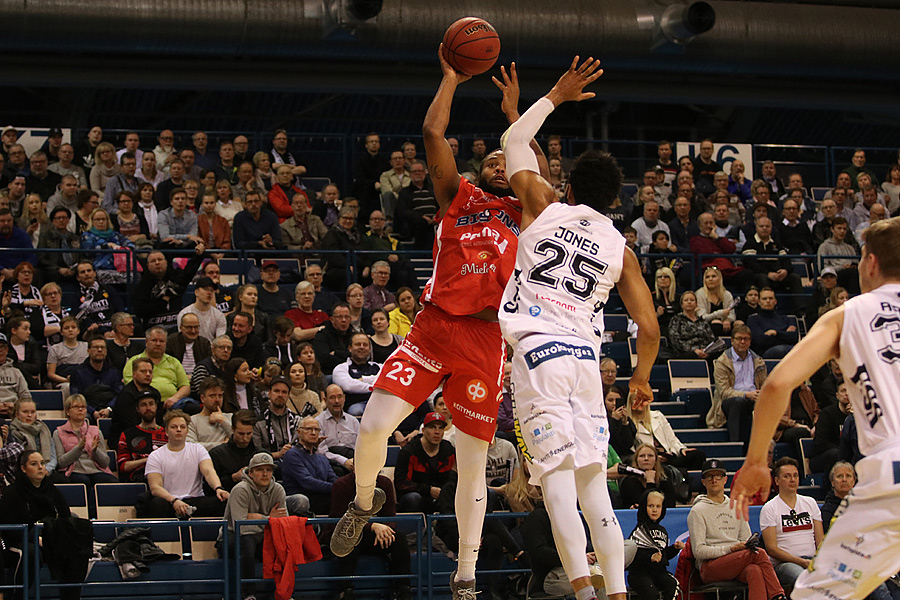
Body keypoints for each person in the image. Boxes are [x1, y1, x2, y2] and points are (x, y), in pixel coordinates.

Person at [329, 48, 535, 600]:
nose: (497, 162)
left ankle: (465, 576)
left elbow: (530, 162)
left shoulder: (530, 213)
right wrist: (450, 78)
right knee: (372, 427)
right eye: (490, 158)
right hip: (433, 327)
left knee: (473, 463)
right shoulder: (457, 195)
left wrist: (516, 119)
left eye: (505, 160)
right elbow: (431, 133)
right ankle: (364, 500)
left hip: (485, 338)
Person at [492, 57, 663, 600]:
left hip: (540, 355)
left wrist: (553, 99)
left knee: (556, 486)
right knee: (596, 491)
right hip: (587, 362)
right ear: (616, 200)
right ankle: (616, 592)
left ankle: (585, 595)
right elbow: (650, 327)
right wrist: (639, 380)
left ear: (565, 185)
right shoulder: (621, 247)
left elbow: (515, 140)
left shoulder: (542, 205)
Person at [734, 215, 900, 596]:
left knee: (817, 595)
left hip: (892, 477)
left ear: (870, 263)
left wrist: (758, 460)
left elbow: (777, 384)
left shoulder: (849, 314)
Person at [688, 459, 786, 600]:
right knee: (759, 554)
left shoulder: (736, 506)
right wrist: (731, 549)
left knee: (755, 570)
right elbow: (699, 551)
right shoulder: (697, 511)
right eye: (709, 476)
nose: (714, 480)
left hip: (736, 561)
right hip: (710, 567)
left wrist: (739, 549)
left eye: (718, 476)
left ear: (725, 480)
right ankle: (778, 595)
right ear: (703, 481)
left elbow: (745, 540)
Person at [0, 451, 73, 598]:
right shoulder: (11, 493)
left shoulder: (52, 491)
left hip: (48, 539)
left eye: (42, 463)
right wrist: (33, 536)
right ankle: (16, 596)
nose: (40, 467)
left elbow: (66, 518)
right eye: (34, 464)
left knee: (76, 549)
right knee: (31, 553)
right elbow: (7, 530)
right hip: (17, 543)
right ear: (23, 468)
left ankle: (71, 595)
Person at [140, 410, 230, 518]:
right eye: (174, 427)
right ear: (166, 431)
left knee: (221, 502)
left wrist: (218, 488)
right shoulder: (156, 455)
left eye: (182, 427)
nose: (178, 430)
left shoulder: (198, 449)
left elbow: (208, 471)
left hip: (195, 500)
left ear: (187, 431)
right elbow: (155, 487)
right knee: (157, 504)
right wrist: (174, 501)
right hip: (169, 501)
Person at [759, 457, 824, 589]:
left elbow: (820, 540)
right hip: (785, 564)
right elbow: (771, 549)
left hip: (811, 559)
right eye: (787, 476)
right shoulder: (770, 508)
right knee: (806, 581)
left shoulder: (810, 502)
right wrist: (801, 561)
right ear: (777, 481)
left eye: (795, 475)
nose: (793, 480)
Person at [51, 393, 117, 510]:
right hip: (75, 470)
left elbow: (105, 462)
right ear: (67, 411)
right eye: (76, 407)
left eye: (83, 407)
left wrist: (95, 451)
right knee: (83, 481)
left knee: (111, 481)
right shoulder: (59, 433)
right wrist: (78, 448)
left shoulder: (95, 430)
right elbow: (61, 462)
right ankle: (89, 514)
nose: (81, 409)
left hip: (96, 469)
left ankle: (106, 515)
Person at [709, 325, 767, 442]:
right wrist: (746, 394)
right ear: (732, 340)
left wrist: (760, 394)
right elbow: (724, 392)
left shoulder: (758, 361)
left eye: (746, 339)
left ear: (750, 342)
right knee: (738, 403)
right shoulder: (722, 362)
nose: (742, 342)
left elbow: (764, 385)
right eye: (739, 338)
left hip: (754, 399)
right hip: (729, 402)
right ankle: (735, 444)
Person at [393, 412, 456, 514]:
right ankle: (414, 530)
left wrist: (445, 492)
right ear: (423, 430)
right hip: (416, 497)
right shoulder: (409, 451)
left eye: (440, 428)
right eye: (432, 427)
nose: (437, 432)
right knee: (413, 498)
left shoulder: (448, 450)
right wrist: (428, 491)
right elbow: (401, 484)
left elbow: (455, 478)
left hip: (443, 497)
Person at [627, 490, 683, 600]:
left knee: (673, 584)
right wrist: (649, 558)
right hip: (639, 573)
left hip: (658, 572)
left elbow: (663, 555)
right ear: (644, 507)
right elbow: (632, 557)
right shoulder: (639, 531)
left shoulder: (663, 531)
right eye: (650, 506)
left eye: (658, 506)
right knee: (650, 592)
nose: (654, 510)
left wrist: (674, 549)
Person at [133, 248, 204, 330]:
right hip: (154, 328)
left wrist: (199, 255)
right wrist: (162, 302)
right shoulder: (142, 286)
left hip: (176, 326)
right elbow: (139, 311)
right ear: (148, 266)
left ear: (166, 262)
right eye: (153, 261)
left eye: (160, 259)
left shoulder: (176, 277)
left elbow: (189, 271)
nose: (157, 263)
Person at [123, 326, 192, 410]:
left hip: (173, 405)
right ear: (146, 342)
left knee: (191, 406)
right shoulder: (134, 361)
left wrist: (175, 398)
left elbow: (185, 386)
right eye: (154, 340)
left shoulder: (174, 362)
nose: (158, 344)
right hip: (144, 404)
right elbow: (131, 386)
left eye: (162, 341)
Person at [628, 400, 706, 470]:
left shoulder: (657, 415)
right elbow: (632, 449)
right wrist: (653, 457)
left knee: (698, 455)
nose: (640, 402)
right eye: (636, 399)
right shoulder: (627, 422)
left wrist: (681, 449)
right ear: (630, 402)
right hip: (650, 459)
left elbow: (671, 439)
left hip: (668, 456)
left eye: (643, 399)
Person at [282, 416, 336, 515]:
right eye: (308, 429)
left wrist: (342, 487)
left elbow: (333, 478)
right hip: (302, 499)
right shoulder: (292, 455)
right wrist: (337, 488)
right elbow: (307, 482)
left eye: (316, 430)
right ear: (299, 432)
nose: (313, 433)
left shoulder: (321, 458)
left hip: (321, 497)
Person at [110, 357, 162, 451]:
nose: (147, 374)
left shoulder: (155, 393)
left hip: (151, 437)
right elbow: (130, 424)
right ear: (134, 374)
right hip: (127, 439)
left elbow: (159, 419)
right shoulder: (126, 395)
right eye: (143, 371)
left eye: (150, 372)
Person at [116, 391, 167, 483]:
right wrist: (148, 460)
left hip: (166, 475)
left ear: (156, 407)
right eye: (143, 405)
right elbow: (123, 466)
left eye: (151, 404)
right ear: (138, 409)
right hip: (139, 477)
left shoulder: (167, 433)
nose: (148, 408)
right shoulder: (128, 434)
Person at [252, 375, 300, 468]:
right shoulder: (258, 422)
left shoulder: (296, 420)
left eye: (284, 392)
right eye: (276, 391)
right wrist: (278, 454)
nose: (280, 395)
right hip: (268, 465)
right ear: (269, 393)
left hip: (295, 463)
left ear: (288, 395)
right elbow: (256, 453)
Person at [68, 336, 123, 417]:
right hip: (87, 410)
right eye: (96, 347)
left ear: (106, 351)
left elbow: (119, 394)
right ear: (88, 351)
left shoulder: (114, 372)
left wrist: (108, 409)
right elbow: (76, 396)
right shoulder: (78, 372)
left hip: (109, 409)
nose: (100, 350)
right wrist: (93, 412)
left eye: (102, 347)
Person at [208, 410, 258, 493]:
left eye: (248, 433)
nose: (245, 438)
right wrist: (233, 478)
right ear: (233, 429)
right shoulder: (217, 454)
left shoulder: (260, 454)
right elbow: (209, 488)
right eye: (241, 434)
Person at [332, 332, 382, 416]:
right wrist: (377, 387)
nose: (362, 347)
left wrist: (363, 380)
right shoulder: (341, 368)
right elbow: (349, 386)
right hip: (356, 405)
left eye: (365, 345)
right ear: (350, 348)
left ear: (369, 349)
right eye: (358, 344)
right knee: (356, 411)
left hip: (380, 403)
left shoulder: (379, 367)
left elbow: (388, 380)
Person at [316, 384, 360, 476]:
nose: (337, 401)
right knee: (337, 471)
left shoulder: (354, 421)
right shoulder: (318, 422)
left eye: (339, 397)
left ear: (344, 398)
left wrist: (355, 462)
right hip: (330, 463)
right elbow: (321, 452)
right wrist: (344, 461)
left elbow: (360, 447)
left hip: (353, 460)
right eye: (332, 397)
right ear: (325, 400)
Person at [619, 444, 677, 509]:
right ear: (636, 461)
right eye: (642, 456)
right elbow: (649, 507)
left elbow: (671, 505)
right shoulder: (629, 482)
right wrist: (650, 482)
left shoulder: (664, 479)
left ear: (655, 460)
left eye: (650, 456)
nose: (646, 459)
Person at [8, 398, 57, 477]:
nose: (29, 415)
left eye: (33, 412)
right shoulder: (12, 432)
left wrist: (47, 470)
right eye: (25, 412)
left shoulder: (44, 430)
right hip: (24, 473)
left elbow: (53, 457)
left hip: (45, 471)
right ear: (17, 414)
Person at [746, 288, 799, 359]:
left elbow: (794, 338)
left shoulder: (786, 319)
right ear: (759, 302)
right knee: (783, 350)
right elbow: (760, 341)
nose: (768, 301)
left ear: (775, 301)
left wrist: (775, 333)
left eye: (770, 298)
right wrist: (784, 334)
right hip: (765, 354)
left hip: (787, 349)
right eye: (764, 299)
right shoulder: (753, 319)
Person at [668, 290, 718, 359]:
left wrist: (706, 350)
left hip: (705, 351)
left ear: (696, 304)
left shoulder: (702, 321)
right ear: (682, 305)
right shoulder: (676, 320)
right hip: (687, 352)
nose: (689, 302)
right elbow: (675, 341)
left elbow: (711, 339)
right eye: (686, 300)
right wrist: (694, 350)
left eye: (692, 300)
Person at [187, 376, 233, 450]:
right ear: (202, 398)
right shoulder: (192, 421)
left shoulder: (230, 417)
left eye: (220, 396)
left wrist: (222, 421)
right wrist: (222, 445)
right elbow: (191, 446)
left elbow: (241, 439)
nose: (217, 400)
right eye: (212, 396)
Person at [177, 276, 227, 341]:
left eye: (211, 290)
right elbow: (183, 339)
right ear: (196, 292)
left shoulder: (219, 316)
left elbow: (220, 341)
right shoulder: (184, 314)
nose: (209, 293)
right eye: (205, 289)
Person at [165, 312, 211, 377]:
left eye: (196, 327)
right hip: (176, 377)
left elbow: (208, 367)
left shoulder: (205, 343)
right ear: (181, 328)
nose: (193, 331)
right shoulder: (171, 341)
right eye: (189, 327)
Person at [312, 302, 354, 373]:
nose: (343, 320)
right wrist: (348, 359)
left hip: (352, 371)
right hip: (330, 373)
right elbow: (324, 359)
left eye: (346, 317)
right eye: (340, 317)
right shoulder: (322, 335)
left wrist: (337, 353)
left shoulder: (354, 335)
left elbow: (360, 356)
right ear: (332, 319)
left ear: (350, 319)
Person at [696, 266, 735, 336]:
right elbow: (702, 317)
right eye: (707, 277)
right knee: (716, 324)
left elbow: (732, 314)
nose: (710, 279)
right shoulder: (700, 294)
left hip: (725, 325)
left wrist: (728, 320)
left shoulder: (727, 294)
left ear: (720, 279)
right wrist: (719, 313)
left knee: (739, 324)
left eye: (713, 276)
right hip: (705, 326)